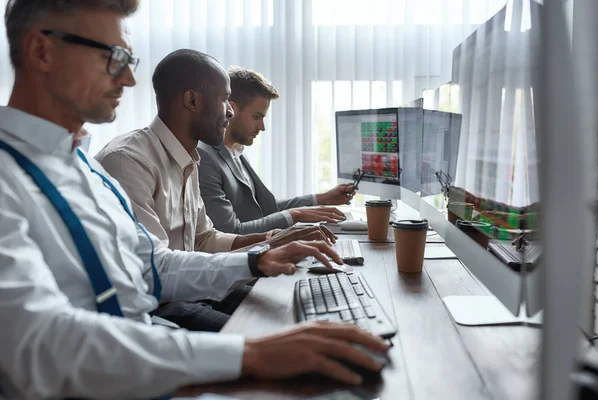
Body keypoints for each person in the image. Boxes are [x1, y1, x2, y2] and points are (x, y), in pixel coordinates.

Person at [0, 1, 389, 399]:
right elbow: (39, 344)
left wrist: (258, 258)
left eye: (129, 59)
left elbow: (153, 264)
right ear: (41, 51)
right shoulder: (17, 176)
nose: (130, 79)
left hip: (148, 352)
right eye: (114, 57)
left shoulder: (85, 168)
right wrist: (248, 353)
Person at [95, 49, 337, 332]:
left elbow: (204, 238)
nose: (231, 111)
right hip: (159, 303)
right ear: (192, 100)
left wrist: (276, 238)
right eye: (224, 99)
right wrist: (263, 253)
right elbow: (156, 269)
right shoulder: (129, 161)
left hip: (191, 286)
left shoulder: (189, 158)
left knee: (293, 305)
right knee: (275, 333)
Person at [197, 67, 357, 234]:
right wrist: (296, 216)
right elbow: (229, 231)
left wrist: (323, 198)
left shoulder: (235, 152)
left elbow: (265, 208)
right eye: (256, 117)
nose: (262, 127)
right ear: (232, 109)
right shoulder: (205, 158)